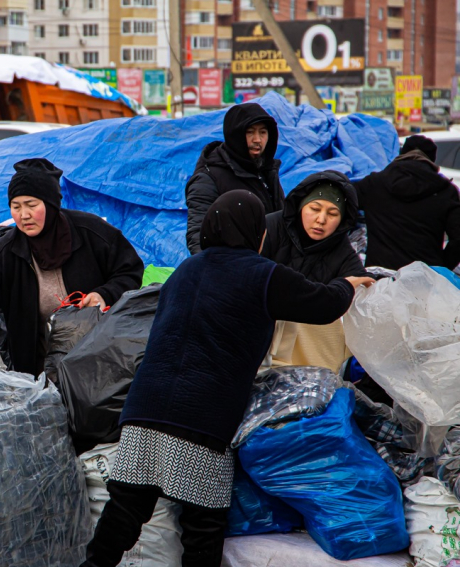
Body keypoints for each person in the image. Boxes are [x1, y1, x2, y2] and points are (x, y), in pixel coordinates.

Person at [81, 190, 374, 567]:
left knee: (124, 512)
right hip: (201, 415)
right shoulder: (261, 274)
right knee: (203, 526)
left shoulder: (188, 268)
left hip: (145, 409)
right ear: (254, 231)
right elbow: (323, 304)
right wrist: (348, 283)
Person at [0, 158, 144, 376]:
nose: (24, 215)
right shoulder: (4, 255)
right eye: (16, 207)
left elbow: (129, 272)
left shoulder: (92, 233)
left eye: (31, 205)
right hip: (39, 371)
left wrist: (103, 295)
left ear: (50, 204)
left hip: (102, 363)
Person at [260, 171, 369, 371]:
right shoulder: (270, 227)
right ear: (301, 206)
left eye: (333, 213)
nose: (321, 220)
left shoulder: (341, 248)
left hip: (306, 355)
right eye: (315, 209)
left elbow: (363, 282)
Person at [184, 102, 285, 255]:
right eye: (250, 132)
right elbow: (199, 234)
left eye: (263, 132)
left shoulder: (267, 171)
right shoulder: (209, 177)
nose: (257, 139)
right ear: (235, 134)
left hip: (267, 267)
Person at [353, 134, 460, 271]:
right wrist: (442, 266)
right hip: (426, 278)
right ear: (432, 159)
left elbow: (341, 203)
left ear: (402, 153)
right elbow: (458, 239)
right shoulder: (446, 191)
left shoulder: (374, 184)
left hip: (379, 278)